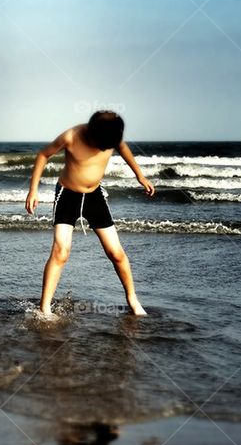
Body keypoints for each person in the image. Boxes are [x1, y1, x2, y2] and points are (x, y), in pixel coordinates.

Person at [25, 111, 155, 317]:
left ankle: (133, 300)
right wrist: (33, 190)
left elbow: (123, 148)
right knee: (61, 252)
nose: (104, 149)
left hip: (95, 196)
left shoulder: (112, 138)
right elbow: (43, 154)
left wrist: (140, 176)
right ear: (92, 132)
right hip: (67, 196)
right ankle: (45, 308)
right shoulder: (71, 136)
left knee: (116, 253)